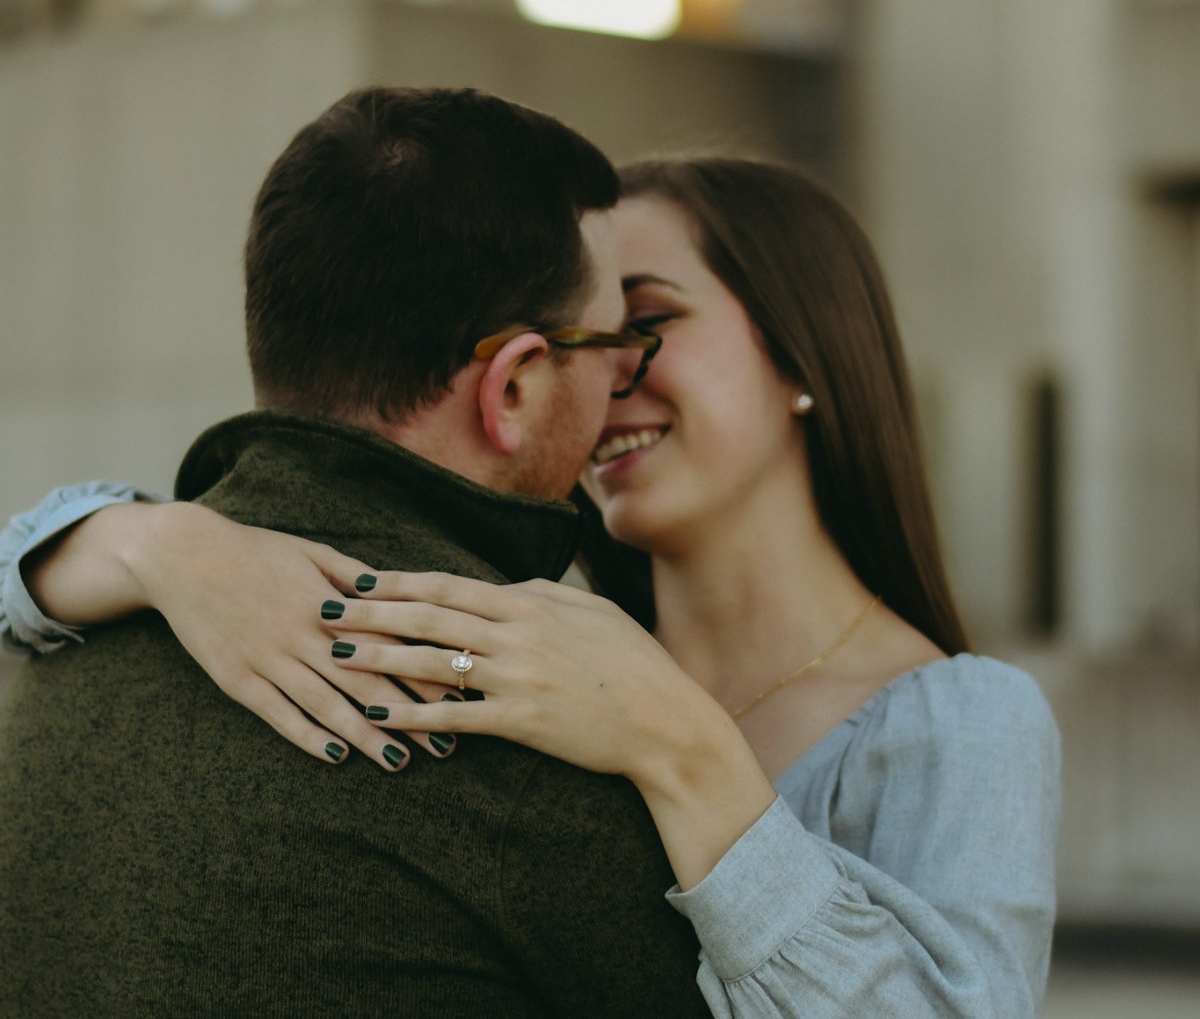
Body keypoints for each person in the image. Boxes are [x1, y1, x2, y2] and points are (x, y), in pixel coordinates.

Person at [1, 157, 1062, 1019]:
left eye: (648, 324)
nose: (609, 374)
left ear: (801, 355)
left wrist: (682, 750)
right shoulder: (517, 637)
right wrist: (160, 543)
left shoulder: (961, 725)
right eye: (595, 340)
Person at [0, 86, 714, 1018]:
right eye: (614, 340)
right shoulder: (532, 727)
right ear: (512, 388)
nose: (626, 375)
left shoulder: (62, 659)